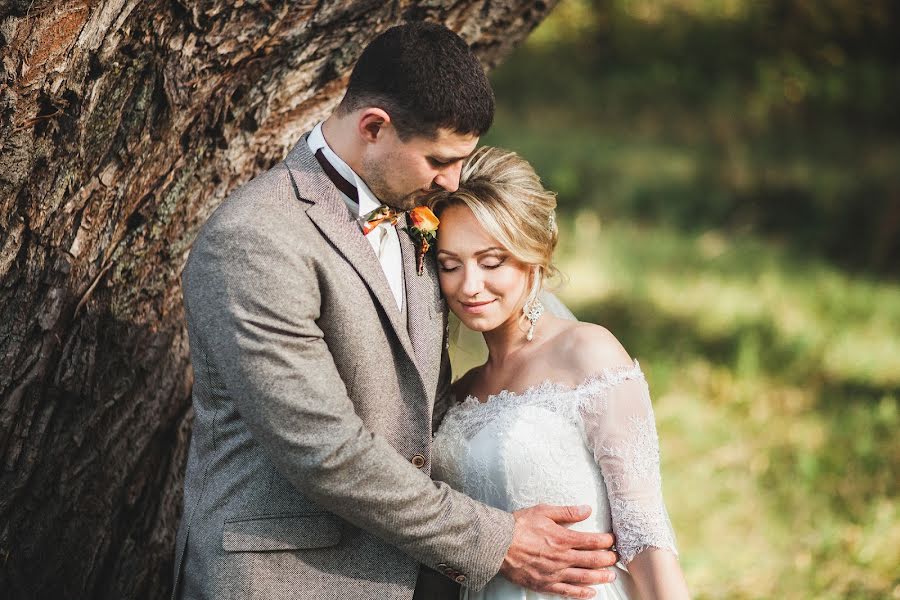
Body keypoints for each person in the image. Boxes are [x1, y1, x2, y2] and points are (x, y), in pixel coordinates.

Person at [173, 22, 619, 600]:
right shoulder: (256, 238)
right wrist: (495, 538)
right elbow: (323, 448)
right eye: (439, 159)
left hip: (417, 575)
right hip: (287, 580)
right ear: (374, 127)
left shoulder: (417, 213)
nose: (453, 181)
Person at [427, 146, 692, 599]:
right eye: (451, 265)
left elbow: (645, 529)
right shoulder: (459, 391)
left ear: (533, 256)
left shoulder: (588, 353)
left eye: (492, 263)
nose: (469, 286)